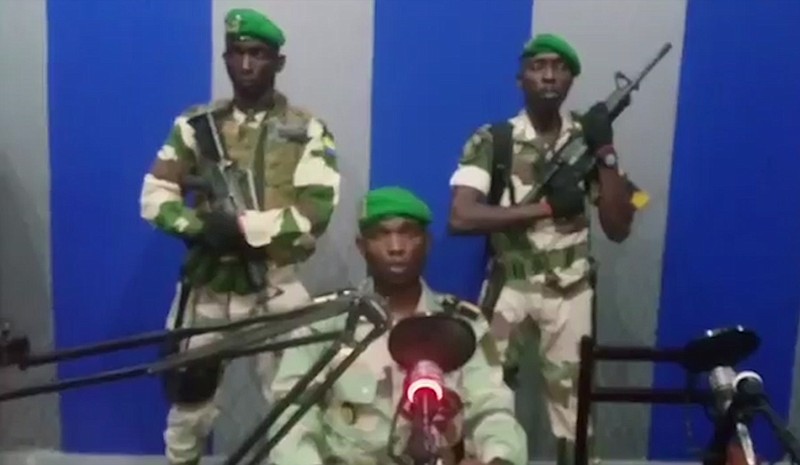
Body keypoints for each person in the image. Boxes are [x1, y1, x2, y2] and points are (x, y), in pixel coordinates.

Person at [138, 8, 340, 465]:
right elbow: (154, 196)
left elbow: (316, 212)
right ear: (226, 59)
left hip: (275, 283)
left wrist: (243, 229)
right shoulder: (196, 126)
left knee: (296, 407)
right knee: (189, 408)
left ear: (278, 62)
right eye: (238, 54)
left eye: (258, 54)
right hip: (208, 288)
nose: (247, 65)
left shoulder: (306, 129)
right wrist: (201, 228)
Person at [447, 33, 638, 465]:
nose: (549, 75)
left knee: (575, 413)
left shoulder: (586, 141)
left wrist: (605, 151)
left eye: (560, 67)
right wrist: (546, 207)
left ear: (571, 79)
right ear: (521, 79)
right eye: (538, 66)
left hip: (570, 291)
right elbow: (461, 217)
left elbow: (618, 227)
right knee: (483, 398)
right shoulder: (494, 140)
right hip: (509, 287)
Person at [269, 187, 528, 465]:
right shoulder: (326, 323)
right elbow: (292, 415)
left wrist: (501, 458)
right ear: (361, 246)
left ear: (427, 242)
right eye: (381, 235)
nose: (396, 247)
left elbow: (492, 408)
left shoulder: (463, 324)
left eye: (408, 233)